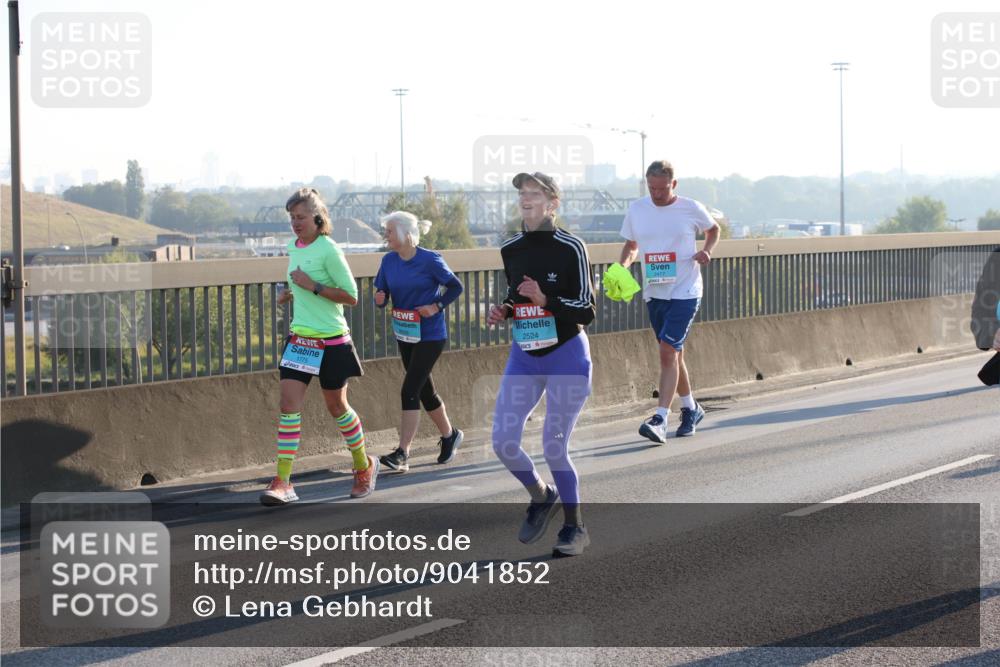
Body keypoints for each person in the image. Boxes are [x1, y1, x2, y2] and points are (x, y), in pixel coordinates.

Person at [487, 172, 596, 557]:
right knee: (502, 441)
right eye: (522, 192)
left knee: (553, 447)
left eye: (534, 193)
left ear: (552, 203)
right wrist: (505, 309)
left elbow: (587, 309)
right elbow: (515, 295)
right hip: (525, 355)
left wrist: (546, 299)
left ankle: (574, 526)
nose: (526, 198)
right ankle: (540, 494)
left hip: (566, 354)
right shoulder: (511, 247)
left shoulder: (572, 247)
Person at [260, 188, 378, 505]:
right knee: (288, 405)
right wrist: (291, 293)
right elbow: (300, 282)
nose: (295, 223)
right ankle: (283, 482)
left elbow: (351, 296)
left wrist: (311, 286)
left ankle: (363, 465)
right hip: (300, 339)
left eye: (301, 217)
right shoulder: (293, 247)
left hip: (332, 341)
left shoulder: (329, 249)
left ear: (317, 217)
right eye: (291, 218)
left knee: (337, 407)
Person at [618, 160, 720, 442]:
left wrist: (707, 250)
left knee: (667, 351)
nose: (656, 194)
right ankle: (691, 408)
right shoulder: (637, 209)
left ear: (673, 184)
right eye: (652, 188)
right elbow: (631, 245)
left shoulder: (690, 207)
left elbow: (713, 229)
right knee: (673, 354)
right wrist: (622, 267)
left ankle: (660, 418)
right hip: (655, 291)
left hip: (686, 290)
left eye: (662, 189)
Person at [374, 211, 465, 472]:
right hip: (405, 333)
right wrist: (380, 299)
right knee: (424, 391)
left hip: (431, 335)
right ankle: (450, 435)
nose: (386, 236)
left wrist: (436, 306)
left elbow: (456, 287)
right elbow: (382, 292)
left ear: (405, 233)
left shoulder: (430, 259)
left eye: (390, 231)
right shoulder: (388, 261)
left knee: (410, 390)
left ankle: (403, 453)